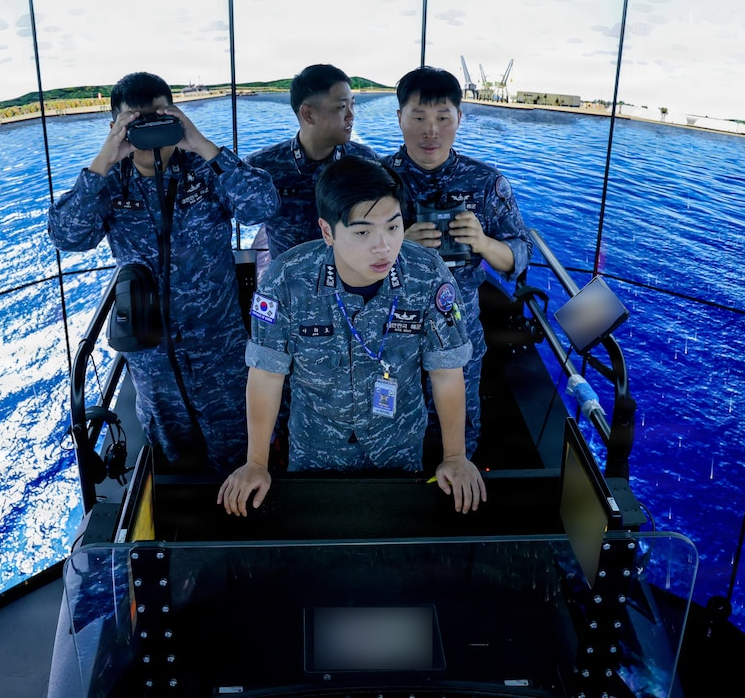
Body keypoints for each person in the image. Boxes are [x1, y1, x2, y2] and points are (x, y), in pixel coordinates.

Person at [218, 155, 487, 517]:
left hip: (398, 451)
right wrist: (256, 462)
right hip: (316, 454)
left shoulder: (426, 274)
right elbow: (267, 375)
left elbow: (446, 371)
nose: (383, 246)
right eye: (362, 232)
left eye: (393, 228)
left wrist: (454, 456)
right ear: (328, 232)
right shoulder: (286, 279)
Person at [48, 71, 278, 474]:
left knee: (237, 455)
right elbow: (67, 236)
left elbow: (262, 206)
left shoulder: (205, 172)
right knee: (174, 466)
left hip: (219, 353)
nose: (151, 130)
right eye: (137, 122)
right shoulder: (111, 183)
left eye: (160, 118)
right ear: (117, 126)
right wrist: (105, 157)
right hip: (153, 362)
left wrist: (198, 141)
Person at [384, 66, 534, 459]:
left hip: (458, 333)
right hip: (390, 336)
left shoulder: (485, 183)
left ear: (458, 120)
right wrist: (399, 243)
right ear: (399, 118)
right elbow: (342, 259)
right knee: (391, 433)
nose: (430, 131)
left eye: (442, 118)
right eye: (418, 118)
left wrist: (483, 242)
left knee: (459, 438)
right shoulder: (377, 179)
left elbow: (517, 256)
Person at [243, 64, 378, 274]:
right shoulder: (263, 166)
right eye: (341, 107)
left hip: (349, 284)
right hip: (288, 286)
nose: (351, 115)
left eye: (353, 105)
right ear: (308, 114)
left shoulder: (366, 163)